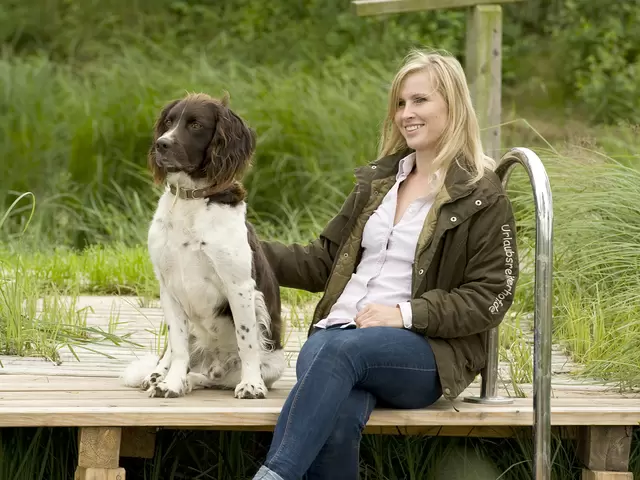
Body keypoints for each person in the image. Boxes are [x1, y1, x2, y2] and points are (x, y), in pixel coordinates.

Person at [253, 48, 519, 480]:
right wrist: (243, 248)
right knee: (337, 414)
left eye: (419, 101)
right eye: (400, 103)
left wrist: (403, 314)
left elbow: (490, 297)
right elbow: (323, 262)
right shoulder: (379, 183)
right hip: (336, 337)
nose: (405, 113)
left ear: (452, 106)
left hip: (426, 351)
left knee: (340, 355)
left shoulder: (481, 195)